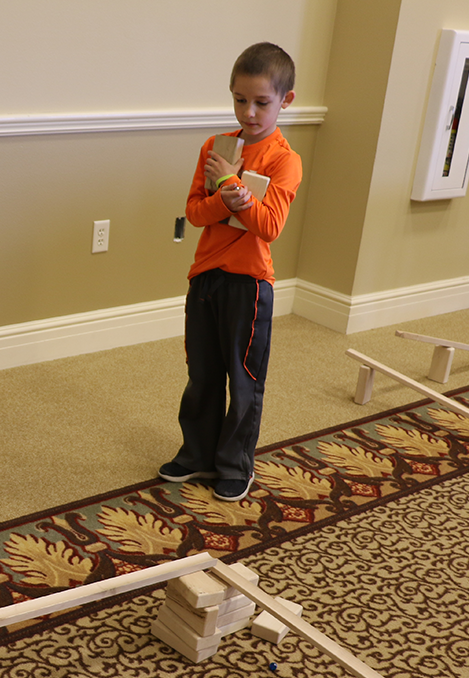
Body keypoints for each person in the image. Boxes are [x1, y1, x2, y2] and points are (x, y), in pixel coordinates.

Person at [159, 42, 301, 502]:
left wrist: (230, 182)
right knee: (202, 371)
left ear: (286, 101)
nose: (250, 112)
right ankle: (197, 454)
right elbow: (195, 213)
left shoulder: (284, 160)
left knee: (243, 378)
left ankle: (235, 463)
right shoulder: (216, 147)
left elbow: (269, 226)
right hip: (206, 276)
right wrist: (226, 196)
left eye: (262, 102)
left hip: (249, 283)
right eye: (240, 100)